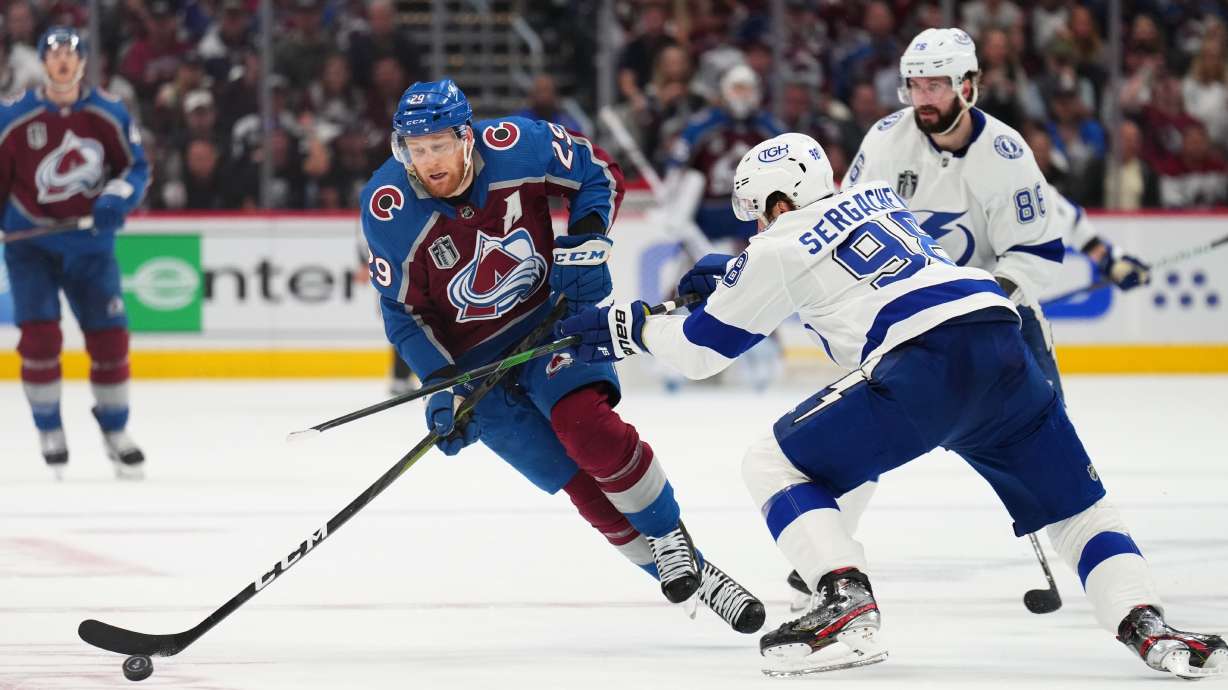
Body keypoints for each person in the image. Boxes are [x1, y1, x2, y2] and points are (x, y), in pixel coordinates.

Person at [556, 132, 1227, 679]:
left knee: (773, 465)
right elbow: (827, 268)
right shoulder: (879, 199)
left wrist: (633, 326)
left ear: (778, 201)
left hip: (925, 364)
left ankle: (843, 600)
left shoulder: (778, 243)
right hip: (1001, 343)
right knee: (1080, 512)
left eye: (759, 213)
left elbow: (702, 352)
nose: (758, 227)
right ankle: (1148, 625)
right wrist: (733, 276)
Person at [358, 78, 763, 633]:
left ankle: (669, 535)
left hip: (549, 319)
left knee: (584, 426)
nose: (427, 162)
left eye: (438, 146)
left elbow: (597, 174)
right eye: (415, 148)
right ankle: (697, 575)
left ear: (466, 137)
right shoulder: (388, 207)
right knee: (578, 484)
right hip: (475, 364)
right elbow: (403, 313)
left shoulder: (518, 144)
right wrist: (444, 383)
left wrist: (587, 236)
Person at [0, 27, 150, 479]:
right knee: (42, 340)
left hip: (90, 247)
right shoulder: (14, 117)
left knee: (110, 339)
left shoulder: (108, 112)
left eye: (71, 54)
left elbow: (136, 167)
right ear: (43, 63)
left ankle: (115, 430)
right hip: (32, 247)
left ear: (83, 62)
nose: (63, 62)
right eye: (55, 55)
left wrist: (115, 199)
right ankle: (49, 428)